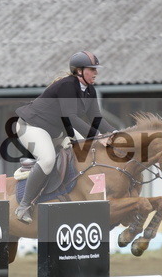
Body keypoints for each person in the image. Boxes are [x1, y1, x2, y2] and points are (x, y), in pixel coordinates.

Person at [12, 50, 115, 223]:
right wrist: (98, 136)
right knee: (47, 159)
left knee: (82, 152)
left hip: (57, 129)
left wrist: (115, 133)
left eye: (96, 69)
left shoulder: (89, 90)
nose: (96, 73)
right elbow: (72, 118)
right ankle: (24, 206)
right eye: (92, 69)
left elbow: (96, 118)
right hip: (31, 126)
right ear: (79, 70)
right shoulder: (67, 86)